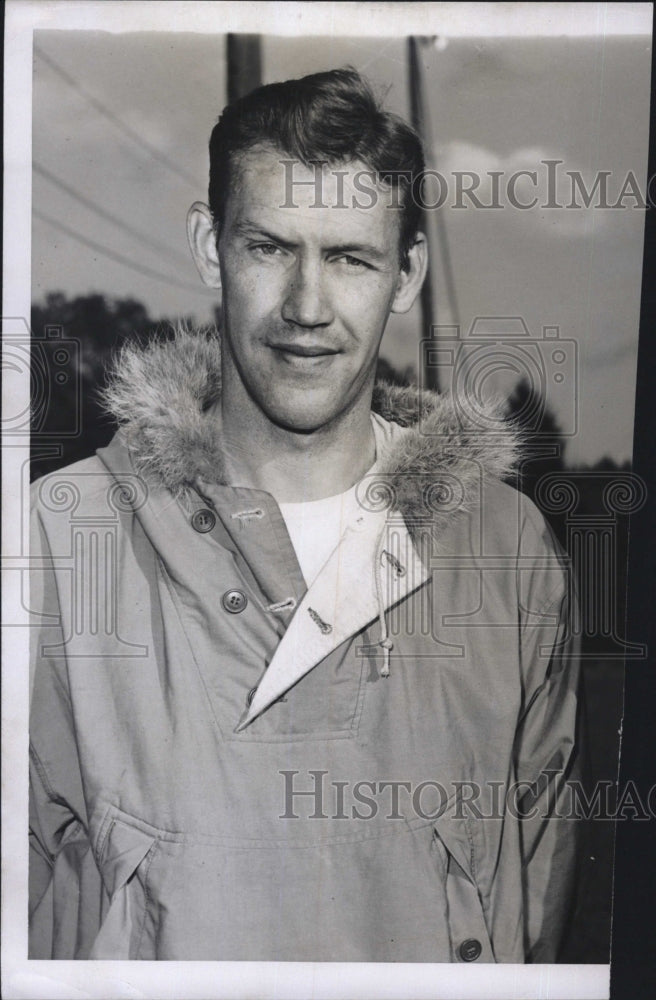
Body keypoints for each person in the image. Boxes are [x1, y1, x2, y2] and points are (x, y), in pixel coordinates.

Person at [29, 68, 580, 962]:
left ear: (407, 275)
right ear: (211, 248)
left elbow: (541, 880)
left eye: (351, 258)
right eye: (269, 248)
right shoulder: (57, 536)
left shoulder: (508, 550)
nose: (307, 309)